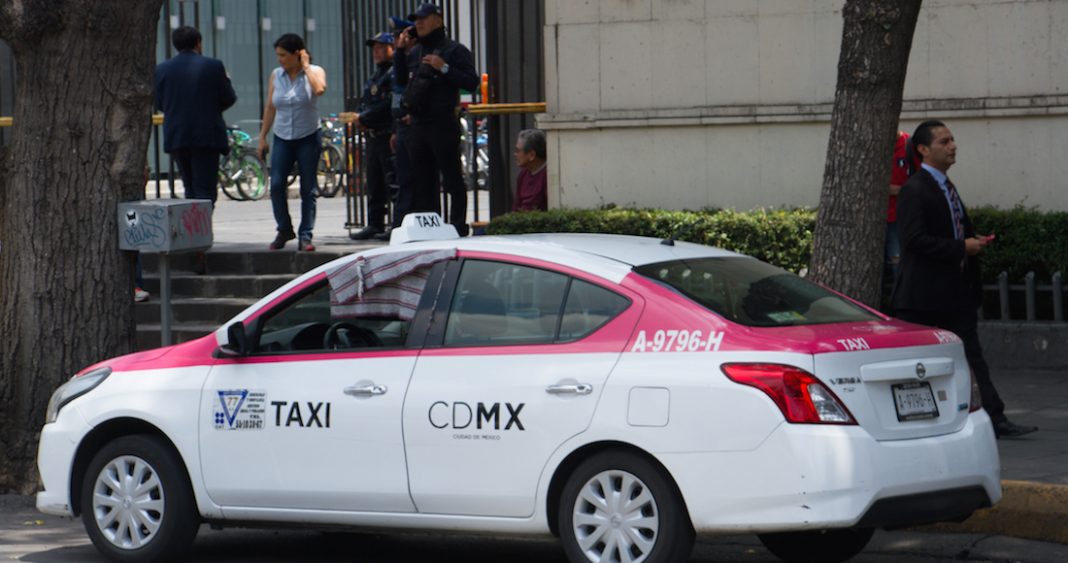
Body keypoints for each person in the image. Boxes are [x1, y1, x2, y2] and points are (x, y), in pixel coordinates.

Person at [892, 120, 1037, 439]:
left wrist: (973, 242)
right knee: (920, 364)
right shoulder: (916, 190)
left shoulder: (947, 185)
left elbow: (951, 229)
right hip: (923, 299)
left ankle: (994, 417)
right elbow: (914, 240)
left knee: (972, 356)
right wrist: (961, 246)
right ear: (924, 150)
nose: (952, 146)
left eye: (952, 139)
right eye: (944, 142)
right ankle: (920, 419)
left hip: (955, 292)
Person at [393, 3, 479, 236]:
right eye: (416, 19)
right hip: (419, 124)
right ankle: (431, 229)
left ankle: (458, 227)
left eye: (424, 18)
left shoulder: (454, 50)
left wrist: (445, 69)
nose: (418, 23)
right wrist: (400, 52)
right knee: (421, 181)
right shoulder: (416, 51)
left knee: (451, 178)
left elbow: (472, 82)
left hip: (442, 122)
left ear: (438, 20)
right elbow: (401, 81)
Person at [154, 26, 237, 206]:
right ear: (198, 43)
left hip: (177, 135)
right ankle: (201, 230)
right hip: (207, 135)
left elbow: (159, 102)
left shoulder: (162, 69)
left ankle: (191, 231)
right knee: (205, 190)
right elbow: (229, 97)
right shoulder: (214, 66)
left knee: (189, 187)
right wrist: (210, 109)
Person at [258, 33, 327, 251]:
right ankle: (284, 228)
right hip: (283, 137)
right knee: (277, 184)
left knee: (308, 187)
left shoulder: (314, 72)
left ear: (298, 54)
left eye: (284, 55)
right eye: (278, 55)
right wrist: (262, 136)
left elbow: (319, 90)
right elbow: (270, 107)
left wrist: (306, 67)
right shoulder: (276, 75)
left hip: (308, 136)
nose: (280, 60)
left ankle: (305, 234)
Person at [350, 32, 396, 240]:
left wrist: (365, 116)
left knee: (392, 180)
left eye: (381, 48)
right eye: (374, 49)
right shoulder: (376, 75)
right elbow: (366, 100)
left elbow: (388, 105)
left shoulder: (394, 73)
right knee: (374, 181)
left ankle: (396, 224)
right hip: (373, 135)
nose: (376, 52)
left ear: (392, 48)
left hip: (387, 134)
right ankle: (375, 222)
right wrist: (359, 116)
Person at [388, 16, 416, 238]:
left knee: (418, 180)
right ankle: (400, 224)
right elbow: (398, 87)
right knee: (403, 178)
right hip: (403, 126)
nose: (400, 40)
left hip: (418, 126)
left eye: (403, 36)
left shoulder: (418, 56)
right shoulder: (402, 59)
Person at [512, 128, 547, 212]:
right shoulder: (523, 175)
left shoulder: (547, 175)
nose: (515, 154)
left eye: (518, 151)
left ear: (531, 155)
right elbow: (516, 207)